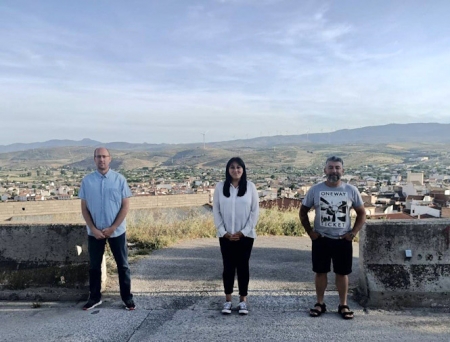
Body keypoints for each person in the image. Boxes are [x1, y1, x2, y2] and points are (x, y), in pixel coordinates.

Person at [299, 156, 365, 319]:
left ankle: (343, 304)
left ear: (342, 171)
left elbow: (362, 213)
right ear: (325, 170)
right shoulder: (315, 190)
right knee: (320, 272)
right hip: (321, 239)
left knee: (342, 273)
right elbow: (302, 211)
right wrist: (310, 232)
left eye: (337, 167)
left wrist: (352, 233)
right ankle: (320, 303)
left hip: (342, 239)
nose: (333, 171)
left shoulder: (351, 190)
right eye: (330, 167)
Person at [79, 147, 135, 311]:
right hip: (94, 232)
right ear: (94, 159)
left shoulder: (120, 180)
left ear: (110, 159)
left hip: (117, 232)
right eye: (98, 157)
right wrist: (93, 229)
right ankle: (94, 298)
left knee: (123, 266)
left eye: (104, 156)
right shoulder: (87, 181)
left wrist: (113, 227)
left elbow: (125, 206)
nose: (101, 159)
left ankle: (127, 298)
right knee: (94, 266)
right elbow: (84, 208)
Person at [213, 157, 259, 315]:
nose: (235, 170)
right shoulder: (220, 187)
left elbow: (254, 212)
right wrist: (223, 232)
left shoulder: (250, 187)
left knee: (243, 267)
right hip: (225, 236)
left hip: (245, 237)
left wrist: (243, 232)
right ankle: (227, 301)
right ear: (227, 170)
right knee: (228, 268)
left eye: (239, 167)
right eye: (232, 167)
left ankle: (243, 301)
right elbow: (216, 211)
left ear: (243, 169)